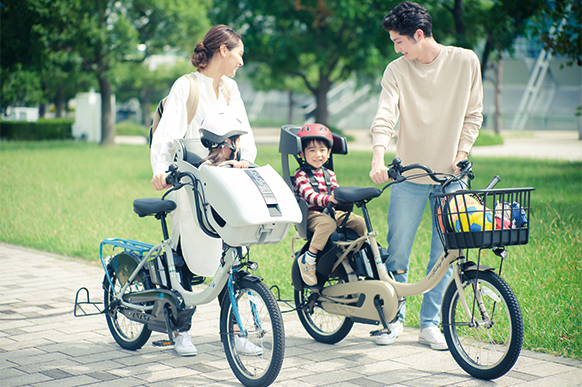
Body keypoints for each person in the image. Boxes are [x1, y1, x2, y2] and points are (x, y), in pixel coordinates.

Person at [369, 2, 483, 350]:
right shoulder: (397, 70)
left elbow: (473, 115)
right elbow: (385, 115)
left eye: (399, 41)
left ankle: (430, 324)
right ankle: (394, 319)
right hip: (409, 178)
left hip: (452, 180)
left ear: (419, 35)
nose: (396, 48)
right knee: (398, 253)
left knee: (444, 255)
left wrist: (461, 154)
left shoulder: (465, 62)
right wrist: (378, 157)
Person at [150, 25, 257, 357]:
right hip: (191, 179)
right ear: (223, 50)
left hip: (224, 180)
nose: (241, 59)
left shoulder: (230, 89)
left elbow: (244, 131)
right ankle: (181, 330)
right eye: (238, 52)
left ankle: (238, 331)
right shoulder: (186, 86)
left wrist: (247, 161)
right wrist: (161, 171)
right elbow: (168, 133)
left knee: (230, 250)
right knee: (187, 251)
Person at [294, 123, 367, 286]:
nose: (318, 154)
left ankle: (353, 255)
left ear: (328, 152)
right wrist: (329, 199)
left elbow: (336, 191)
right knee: (327, 224)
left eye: (322, 150)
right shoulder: (301, 175)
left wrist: (344, 197)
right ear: (302, 153)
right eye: (312, 150)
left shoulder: (329, 174)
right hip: (311, 215)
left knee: (358, 222)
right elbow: (309, 195)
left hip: (330, 212)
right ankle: (309, 259)